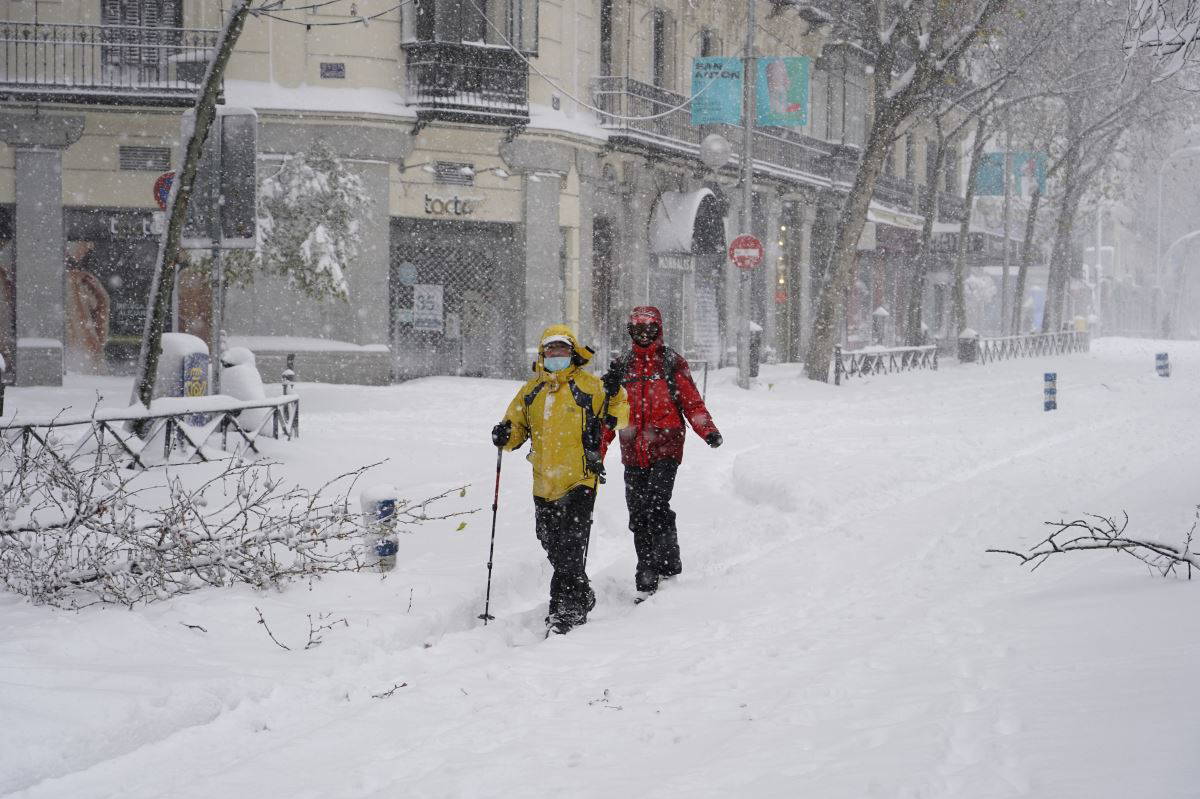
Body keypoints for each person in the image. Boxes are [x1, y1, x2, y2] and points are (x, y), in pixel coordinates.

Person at [492, 324, 629, 635]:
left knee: (570, 546)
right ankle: (582, 591)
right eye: (552, 350)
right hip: (544, 483)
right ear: (543, 354)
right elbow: (515, 430)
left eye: (563, 350)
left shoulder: (588, 386)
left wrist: (616, 390)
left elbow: (619, 413)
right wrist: (504, 435)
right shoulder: (531, 391)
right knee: (551, 542)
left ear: (572, 353)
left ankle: (565, 610)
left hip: (580, 479)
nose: (557, 355)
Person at [604, 307, 722, 598]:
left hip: (665, 446)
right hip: (632, 449)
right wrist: (596, 451)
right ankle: (645, 563)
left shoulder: (671, 363)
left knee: (656, 504)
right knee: (637, 511)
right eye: (637, 330)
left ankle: (667, 564)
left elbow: (691, 403)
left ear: (658, 330)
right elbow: (608, 415)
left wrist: (708, 431)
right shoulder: (623, 366)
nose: (644, 335)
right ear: (631, 332)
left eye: (649, 330)